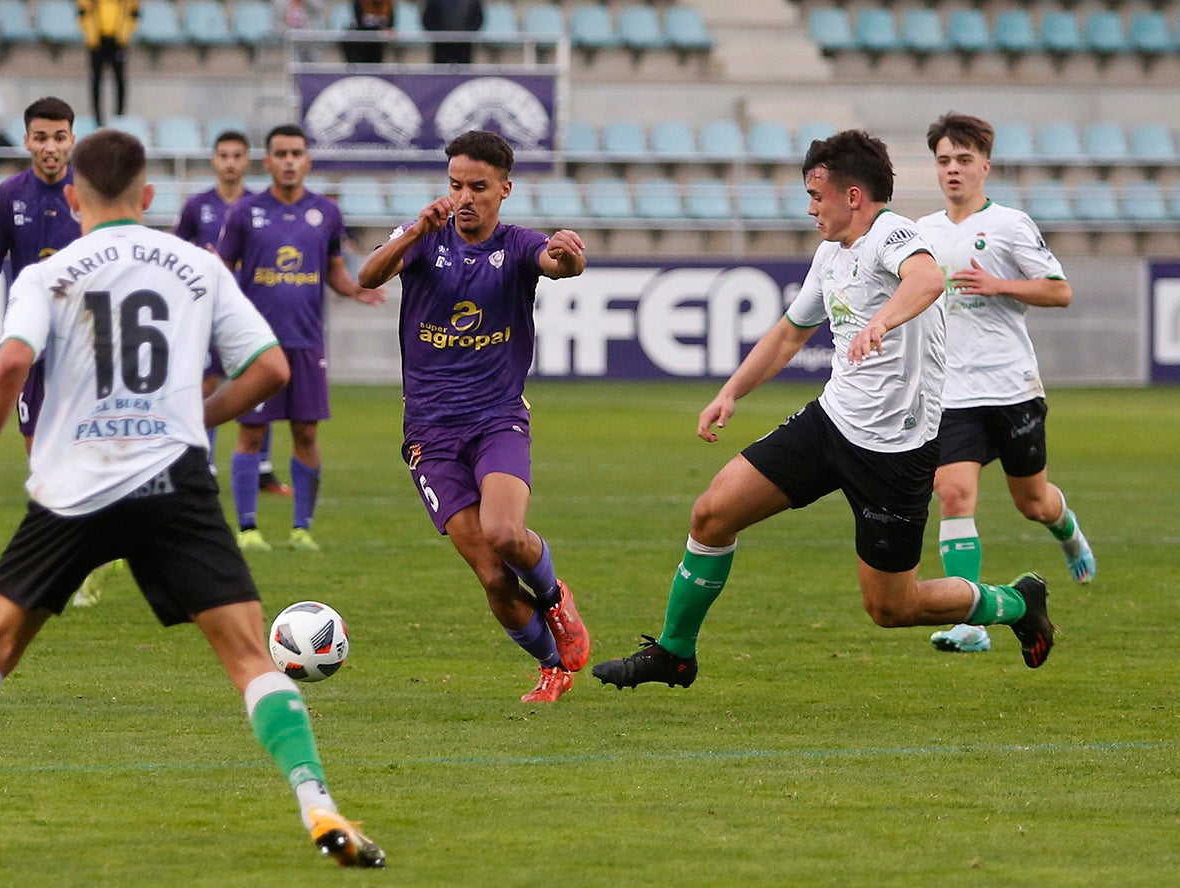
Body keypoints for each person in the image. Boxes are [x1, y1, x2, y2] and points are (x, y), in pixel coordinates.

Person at [0, 128, 385, 870]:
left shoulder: (49, 274)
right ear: (148, 197)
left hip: (74, 485)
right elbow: (270, 367)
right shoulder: (196, 264)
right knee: (248, 656)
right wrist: (195, 417)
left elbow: (9, 363)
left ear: (74, 197)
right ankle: (319, 805)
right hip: (172, 479)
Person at [591, 129, 1057, 692]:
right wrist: (731, 392)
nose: (810, 208)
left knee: (892, 607)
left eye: (817, 195)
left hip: (896, 453)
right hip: (831, 423)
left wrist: (881, 321)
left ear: (853, 196)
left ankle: (1013, 601)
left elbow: (928, 278)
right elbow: (790, 333)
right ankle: (675, 652)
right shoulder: (830, 254)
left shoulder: (894, 234)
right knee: (712, 514)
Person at [356, 130, 591, 703]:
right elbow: (366, 277)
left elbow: (556, 265)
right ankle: (551, 665)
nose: (464, 197)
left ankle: (556, 598)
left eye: (478, 187)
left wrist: (568, 260)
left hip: (496, 418)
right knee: (490, 573)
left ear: (504, 189)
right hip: (429, 433)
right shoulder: (422, 237)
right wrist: (415, 230)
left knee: (506, 534)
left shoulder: (516, 245)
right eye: (456, 185)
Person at [917, 112, 1096, 655]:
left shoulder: (1011, 225)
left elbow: (1059, 291)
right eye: (944, 160)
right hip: (952, 392)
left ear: (985, 166)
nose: (953, 170)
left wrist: (999, 284)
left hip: (1012, 387)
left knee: (1033, 503)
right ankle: (970, 621)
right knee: (952, 492)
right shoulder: (921, 232)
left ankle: (1067, 531)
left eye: (964, 160)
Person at [216, 124, 386, 553]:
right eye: (281, 153)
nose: (289, 161)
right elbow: (221, 270)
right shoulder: (245, 213)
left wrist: (354, 289)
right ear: (268, 161)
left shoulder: (326, 214)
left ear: (307, 160)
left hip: (307, 343)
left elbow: (333, 271)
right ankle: (248, 528)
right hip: (256, 346)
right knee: (251, 434)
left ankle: (301, 529)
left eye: (296, 153)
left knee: (306, 434)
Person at [0, 96, 80, 454]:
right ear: (26, 141)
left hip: (83, 335)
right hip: (32, 335)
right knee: (37, 448)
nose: (50, 147)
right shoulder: (9, 194)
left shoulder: (90, 193)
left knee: (85, 448)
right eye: (40, 137)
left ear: (72, 139)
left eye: (59, 137)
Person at [173, 129, 290, 495]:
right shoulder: (197, 206)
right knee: (206, 383)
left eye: (237, 156)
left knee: (257, 381)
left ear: (247, 161)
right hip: (207, 312)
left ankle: (263, 468)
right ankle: (202, 463)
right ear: (214, 160)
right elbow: (178, 252)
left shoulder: (260, 205)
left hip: (251, 309)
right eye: (224, 156)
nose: (230, 163)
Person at [77, 0, 139, 126]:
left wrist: (124, 35)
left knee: (120, 79)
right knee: (96, 79)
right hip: (97, 42)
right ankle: (97, 118)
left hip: (118, 42)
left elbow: (133, 14)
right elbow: (83, 13)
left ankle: (119, 117)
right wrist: (91, 35)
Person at [421, 0, 484, 65]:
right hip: (441, 45)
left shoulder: (472, 2)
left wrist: (466, 34)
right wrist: (440, 34)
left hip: (464, 44)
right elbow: (427, 19)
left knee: (464, 71)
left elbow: (478, 18)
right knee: (440, 71)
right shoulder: (434, 1)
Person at [341, 0, 393, 64]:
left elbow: (390, 26)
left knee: (375, 66)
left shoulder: (388, 4)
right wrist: (378, 30)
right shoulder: (360, 2)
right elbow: (360, 23)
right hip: (358, 43)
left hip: (377, 44)